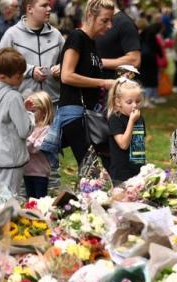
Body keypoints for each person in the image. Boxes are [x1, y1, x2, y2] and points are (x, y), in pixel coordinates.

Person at [41, 0, 115, 168]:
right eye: (105, 20)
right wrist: (103, 82)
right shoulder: (77, 37)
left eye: (111, 20)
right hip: (75, 114)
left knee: (100, 167)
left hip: (91, 114)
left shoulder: (92, 42)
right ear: (90, 16)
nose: (109, 25)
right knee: (91, 169)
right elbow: (67, 76)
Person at [0, 48, 33, 193]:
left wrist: (22, 108)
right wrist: (30, 114)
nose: (21, 78)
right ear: (2, 76)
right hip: (12, 158)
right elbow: (24, 130)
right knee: (10, 202)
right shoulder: (13, 97)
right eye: (18, 76)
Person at [0, 0, 64, 103]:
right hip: (23, 104)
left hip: (53, 104)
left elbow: (69, 63)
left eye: (49, 5)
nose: (49, 9)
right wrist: (30, 71)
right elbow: (1, 67)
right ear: (29, 9)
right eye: (44, 5)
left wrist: (61, 68)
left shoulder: (56, 35)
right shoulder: (11, 35)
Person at [106, 77, 146, 184]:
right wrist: (131, 122)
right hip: (121, 174)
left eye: (137, 101)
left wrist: (143, 165)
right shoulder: (115, 118)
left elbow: (140, 143)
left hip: (138, 171)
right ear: (118, 102)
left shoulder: (139, 118)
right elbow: (123, 144)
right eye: (129, 102)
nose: (134, 105)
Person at [94, 0, 141, 80]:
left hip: (116, 88)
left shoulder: (125, 23)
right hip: (97, 86)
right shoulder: (96, 21)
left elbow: (134, 60)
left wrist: (98, 62)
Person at [24, 91, 53, 198]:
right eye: (28, 112)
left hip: (40, 173)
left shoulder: (47, 130)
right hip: (27, 171)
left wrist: (26, 138)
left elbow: (36, 148)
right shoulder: (28, 127)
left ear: (44, 112)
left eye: (33, 111)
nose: (30, 114)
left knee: (39, 201)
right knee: (29, 200)